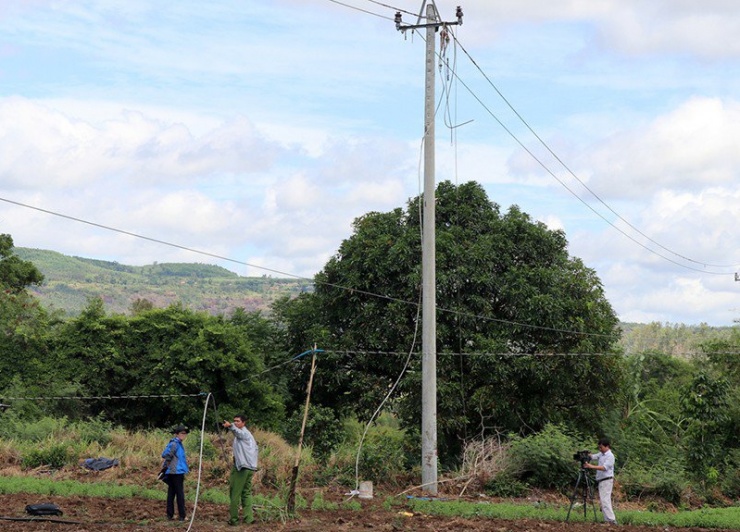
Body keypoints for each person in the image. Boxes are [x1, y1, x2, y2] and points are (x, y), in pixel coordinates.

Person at [223, 415, 259, 525]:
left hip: (242, 468)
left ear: (244, 423)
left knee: (234, 493)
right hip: (250, 468)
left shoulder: (244, 433)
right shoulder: (249, 436)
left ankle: (234, 520)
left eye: (237, 421)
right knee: (246, 493)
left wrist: (230, 426)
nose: (235, 423)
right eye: (234, 421)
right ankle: (249, 518)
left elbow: (239, 433)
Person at [583, 437, 617, 525]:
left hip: (607, 480)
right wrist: (586, 455)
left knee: (605, 500)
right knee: (603, 500)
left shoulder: (610, 456)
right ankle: (607, 520)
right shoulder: (601, 454)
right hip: (601, 481)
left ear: (607, 446)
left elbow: (604, 468)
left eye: (601, 447)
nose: (600, 449)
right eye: (599, 447)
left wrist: (591, 466)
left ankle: (611, 520)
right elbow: (594, 456)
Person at [161, 425, 190, 522]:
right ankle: (182, 515)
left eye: (185, 433)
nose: (183, 435)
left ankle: (170, 514)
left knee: (172, 493)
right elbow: (165, 454)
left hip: (175, 471)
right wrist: (168, 462)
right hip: (176, 471)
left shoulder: (178, 443)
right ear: (177, 434)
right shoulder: (175, 443)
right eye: (182, 433)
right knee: (179, 494)